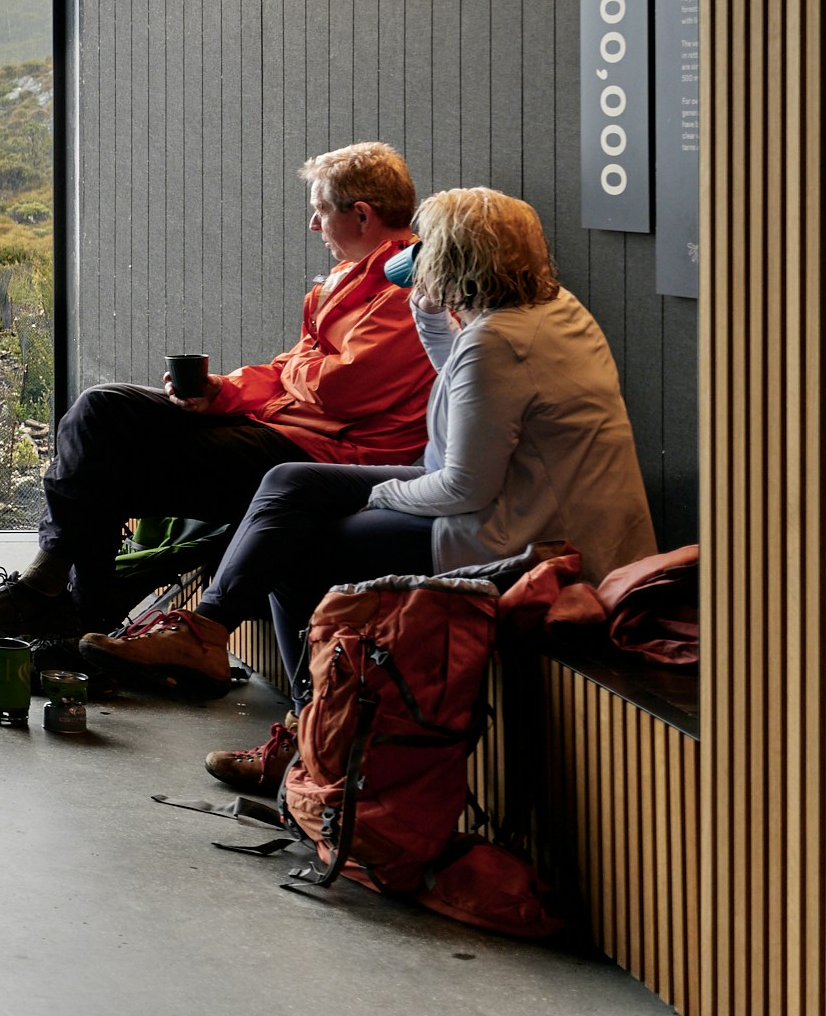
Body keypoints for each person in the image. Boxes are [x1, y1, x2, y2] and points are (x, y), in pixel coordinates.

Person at [199, 186, 657, 785]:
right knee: (290, 482)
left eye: (427, 248)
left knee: (302, 549)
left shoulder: (497, 344)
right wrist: (423, 300)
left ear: (453, 256)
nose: (414, 253)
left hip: (522, 539)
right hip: (520, 505)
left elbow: (462, 488)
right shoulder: (552, 312)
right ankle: (207, 630)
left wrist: (375, 494)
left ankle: (315, 743)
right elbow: (456, 380)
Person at [0, 141, 433, 642]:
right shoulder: (351, 279)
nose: (313, 227)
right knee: (100, 408)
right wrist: (222, 391)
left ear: (363, 215)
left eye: (320, 212)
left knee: (102, 462)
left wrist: (291, 374)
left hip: (326, 454)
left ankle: (70, 609)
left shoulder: (406, 286)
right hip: (283, 428)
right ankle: (53, 589)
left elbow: (344, 387)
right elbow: (298, 368)